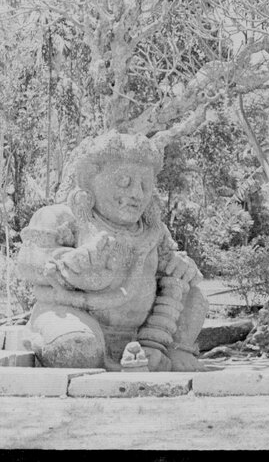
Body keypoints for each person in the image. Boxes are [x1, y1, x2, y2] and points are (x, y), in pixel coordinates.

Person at [16, 131, 209, 371]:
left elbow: (173, 268)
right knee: (78, 349)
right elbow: (27, 264)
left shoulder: (154, 231)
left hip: (147, 331)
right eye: (124, 182)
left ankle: (174, 348)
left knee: (195, 297)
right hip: (76, 314)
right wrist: (67, 262)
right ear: (89, 178)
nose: (137, 194)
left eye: (145, 185)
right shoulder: (64, 218)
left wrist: (182, 267)